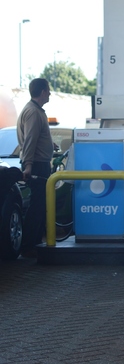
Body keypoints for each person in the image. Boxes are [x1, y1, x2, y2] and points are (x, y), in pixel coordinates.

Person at [17, 78, 53, 257]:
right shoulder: (33, 112)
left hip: (40, 163)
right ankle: (29, 245)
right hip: (37, 166)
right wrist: (28, 166)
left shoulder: (36, 111)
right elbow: (30, 141)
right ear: (43, 92)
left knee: (40, 205)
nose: (50, 93)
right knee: (37, 206)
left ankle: (36, 243)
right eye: (48, 90)